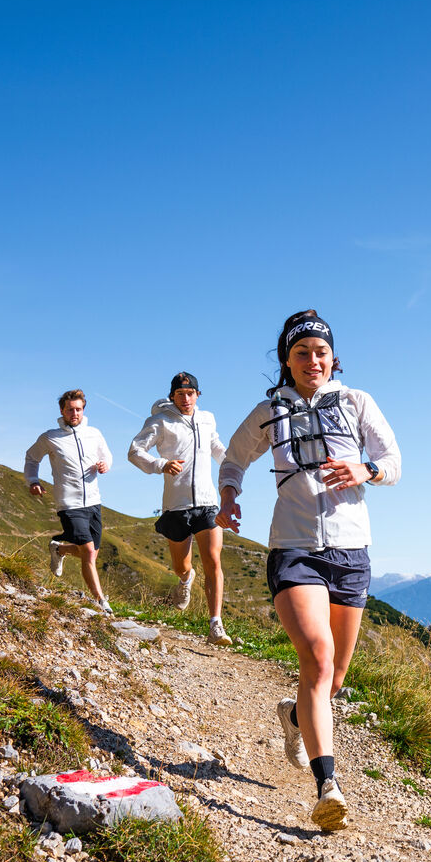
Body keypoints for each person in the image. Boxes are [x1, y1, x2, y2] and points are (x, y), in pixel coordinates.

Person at [219, 311, 400, 831]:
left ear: (332, 357)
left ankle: (295, 716)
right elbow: (233, 459)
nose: (312, 360)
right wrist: (230, 493)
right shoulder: (268, 411)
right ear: (286, 360)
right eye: (302, 353)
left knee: (334, 677)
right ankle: (328, 786)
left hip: (351, 550)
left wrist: (366, 469)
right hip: (294, 548)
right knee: (317, 659)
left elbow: (394, 461)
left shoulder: (357, 402)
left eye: (320, 352)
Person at [127, 372, 232, 646]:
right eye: (180, 394)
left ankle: (215, 625)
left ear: (198, 394)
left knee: (213, 561)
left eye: (190, 393)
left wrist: (234, 462)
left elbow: (216, 447)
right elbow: (135, 451)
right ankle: (185, 579)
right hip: (177, 505)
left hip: (208, 503)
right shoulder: (160, 421)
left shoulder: (207, 419)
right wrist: (161, 464)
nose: (186, 399)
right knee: (180, 565)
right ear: (172, 396)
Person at [24, 389, 115, 613]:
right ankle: (101, 601)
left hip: (94, 500)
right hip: (69, 502)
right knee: (87, 550)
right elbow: (31, 457)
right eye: (69, 410)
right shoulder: (50, 437)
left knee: (92, 552)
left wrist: (105, 465)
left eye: (78, 409)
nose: (74, 413)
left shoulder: (94, 433)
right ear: (62, 411)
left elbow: (107, 456)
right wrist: (33, 481)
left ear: (83, 409)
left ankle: (60, 550)